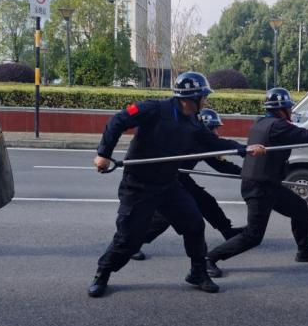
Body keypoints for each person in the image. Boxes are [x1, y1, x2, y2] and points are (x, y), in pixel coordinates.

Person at [88, 72, 265, 297]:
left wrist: (244, 149)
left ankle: (198, 272)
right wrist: (103, 154)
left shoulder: (193, 121)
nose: (206, 101)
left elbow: (213, 142)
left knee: (194, 224)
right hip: (139, 186)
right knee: (128, 240)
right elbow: (118, 120)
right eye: (204, 96)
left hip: (168, 185)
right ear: (191, 98)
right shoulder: (154, 109)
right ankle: (102, 274)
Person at [205, 87, 308, 279]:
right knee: (253, 236)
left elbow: (296, 135)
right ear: (281, 109)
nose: (291, 111)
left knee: (299, 208)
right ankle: (209, 259)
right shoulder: (278, 125)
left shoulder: (262, 122)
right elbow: (301, 136)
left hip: (267, 184)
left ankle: (304, 251)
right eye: (289, 107)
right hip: (259, 187)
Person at [130, 108, 245, 261]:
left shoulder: (205, 143)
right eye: (214, 129)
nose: (217, 133)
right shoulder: (187, 139)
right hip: (164, 179)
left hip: (181, 178)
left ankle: (227, 231)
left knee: (206, 201)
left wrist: (246, 174)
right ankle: (131, 244)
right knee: (164, 217)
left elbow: (221, 165)